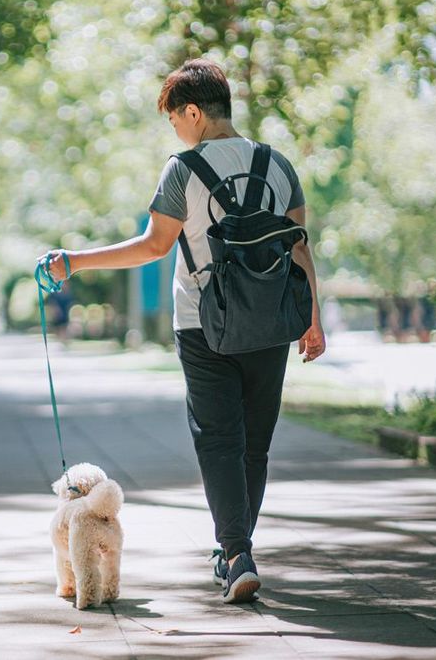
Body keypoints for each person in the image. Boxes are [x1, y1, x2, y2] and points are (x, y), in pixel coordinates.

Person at [39, 58, 326, 604]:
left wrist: (73, 260)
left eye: (174, 118)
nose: (174, 129)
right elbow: (299, 246)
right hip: (272, 322)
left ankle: (237, 551)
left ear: (193, 112)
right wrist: (313, 319)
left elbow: (153, 245)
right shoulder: (279, 164)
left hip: (202, 324)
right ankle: (235, 550)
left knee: (219, 438)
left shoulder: (182, 169)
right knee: (255, 445)